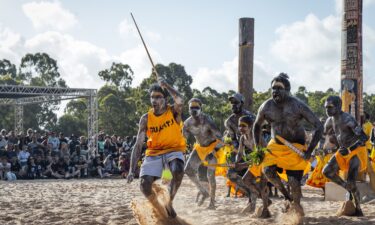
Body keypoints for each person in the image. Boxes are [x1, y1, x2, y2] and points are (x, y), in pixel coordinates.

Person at [253, 73, 323, 216]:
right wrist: (258, 148)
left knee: (294, 182)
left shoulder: (298, 105)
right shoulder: (266, 106)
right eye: (273, 88)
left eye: (279, 88)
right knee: (268, 172)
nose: (275, 91)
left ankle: (296, 207)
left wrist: (309, 150)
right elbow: (256, 126)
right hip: (276, 146)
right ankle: (286, 195)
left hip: (296, 147)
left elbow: (318, 126)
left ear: (288, 90)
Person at [127, 77, 186, 219]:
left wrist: (167, 85)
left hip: (173, 150)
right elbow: (138, 144)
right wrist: (131, 169)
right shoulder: (146, 118)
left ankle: (168, 202)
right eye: (152, 97)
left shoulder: (173, 111)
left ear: (165, 99)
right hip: (154, 154)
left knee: (177, 170)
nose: (154, 100)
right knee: (144, 185)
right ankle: (159, 209)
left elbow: (181, 100)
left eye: (158, 97)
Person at [322, 96, 368, 216]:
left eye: (330, 107)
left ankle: (358, 208)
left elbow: (363, 137)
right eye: (326, 107)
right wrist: (324, 148)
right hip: (342, 151)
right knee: (326, 171)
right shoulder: (329, 120)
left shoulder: (348, 119)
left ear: (338, 106)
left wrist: (350, 149)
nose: (327, 110)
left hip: (355, 151)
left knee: (352, 182)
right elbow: (326, 136)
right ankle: (347, 188)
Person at [183, 98, 223, 209]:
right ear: (188, 109)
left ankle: (212, 203)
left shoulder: (208, 121)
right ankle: (203, 191)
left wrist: (214, 150)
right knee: (188, 170)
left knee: (210, 176)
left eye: (196, 107)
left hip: (212, 148)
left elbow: (220, 137)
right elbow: (183, 139)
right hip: (200, 149)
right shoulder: (187, 123)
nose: (194, 110)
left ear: (201, 108)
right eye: (191, 108)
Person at [234, 115, 271, 217]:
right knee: (245, 180)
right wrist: (237, 162)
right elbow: (240, 153)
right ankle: (266, 200)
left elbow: (261, 154)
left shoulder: (256, 136)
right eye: (239, 126)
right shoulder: (242, 138)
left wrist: (242, 164)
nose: (241, 128)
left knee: (262, 185)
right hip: (256, 161)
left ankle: (265, 209)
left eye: (244, 126)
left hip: (265, 161)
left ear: (250, 127)